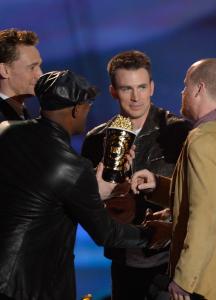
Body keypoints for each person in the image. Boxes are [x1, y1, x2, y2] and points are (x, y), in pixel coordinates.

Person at [0, 70, 152, 300]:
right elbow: (106, 233)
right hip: (31, 287)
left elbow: (42, 186)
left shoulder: (7, 131)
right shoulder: (71, 166)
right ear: (76, 109)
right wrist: (152, 234)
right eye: (88, 104)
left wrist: (95, 183)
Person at [131, 58, 216, 300]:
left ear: (199, 89)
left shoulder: (204, 139)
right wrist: (157, 185)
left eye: (186, 86)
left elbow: (205, 216)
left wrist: (185, 279)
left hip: (208, 282)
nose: (182, 92)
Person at [81, 50, 190, 299]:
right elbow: (85, 203)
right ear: (113, 91)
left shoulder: (177, 132)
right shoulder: (97, 139)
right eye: (126, 88)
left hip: (170, 261)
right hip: (123, 261)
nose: (135, 97)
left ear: (152, 87)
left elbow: (197, 194)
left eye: (141, 87)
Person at [0, 28, 42, 121]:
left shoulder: (21, 112)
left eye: (39, 66)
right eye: (32, 67)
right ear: (4, 70)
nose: (40, 74)